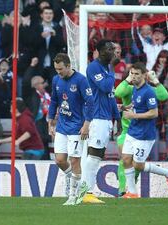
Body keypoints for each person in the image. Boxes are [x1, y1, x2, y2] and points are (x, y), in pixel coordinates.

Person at [121, 62, 168, 198]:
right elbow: (136, 104)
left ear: (145, 75)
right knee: (126, 160)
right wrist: (124, 107)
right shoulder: (134, 88)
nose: (133, 77)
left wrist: (134, 115)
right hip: (133, 131)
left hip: (144, 135)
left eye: (137, 74)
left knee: (138, 165)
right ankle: (132, 193)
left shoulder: (149, 91)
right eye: (132, 73)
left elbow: (154, 113)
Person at [76, 40, 120, 204]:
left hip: (106, 117)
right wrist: (112, 69)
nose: (113, 51)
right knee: (93, 156)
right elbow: (107, 87)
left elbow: (111, 97)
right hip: (96, 117)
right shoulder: (94, 67)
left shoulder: (107, 68)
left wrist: (118, 119)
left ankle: (85, 191)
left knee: (97, 155)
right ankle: (86, 192)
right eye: (109, 49)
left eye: (113, 48)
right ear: (99, 51)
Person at [47, 53, 94, 205]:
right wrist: (50, 120)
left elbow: (90, 102)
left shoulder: (81, 80)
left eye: (61, 69)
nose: (58, 72)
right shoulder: (56, 80)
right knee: (60, 160)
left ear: (68, 66)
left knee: (74, 161)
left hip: (76, 127)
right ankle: (80, 185)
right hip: (61, 125)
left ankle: (73, 196)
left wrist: (86, 124)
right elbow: (54, 100)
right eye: (56, 69)